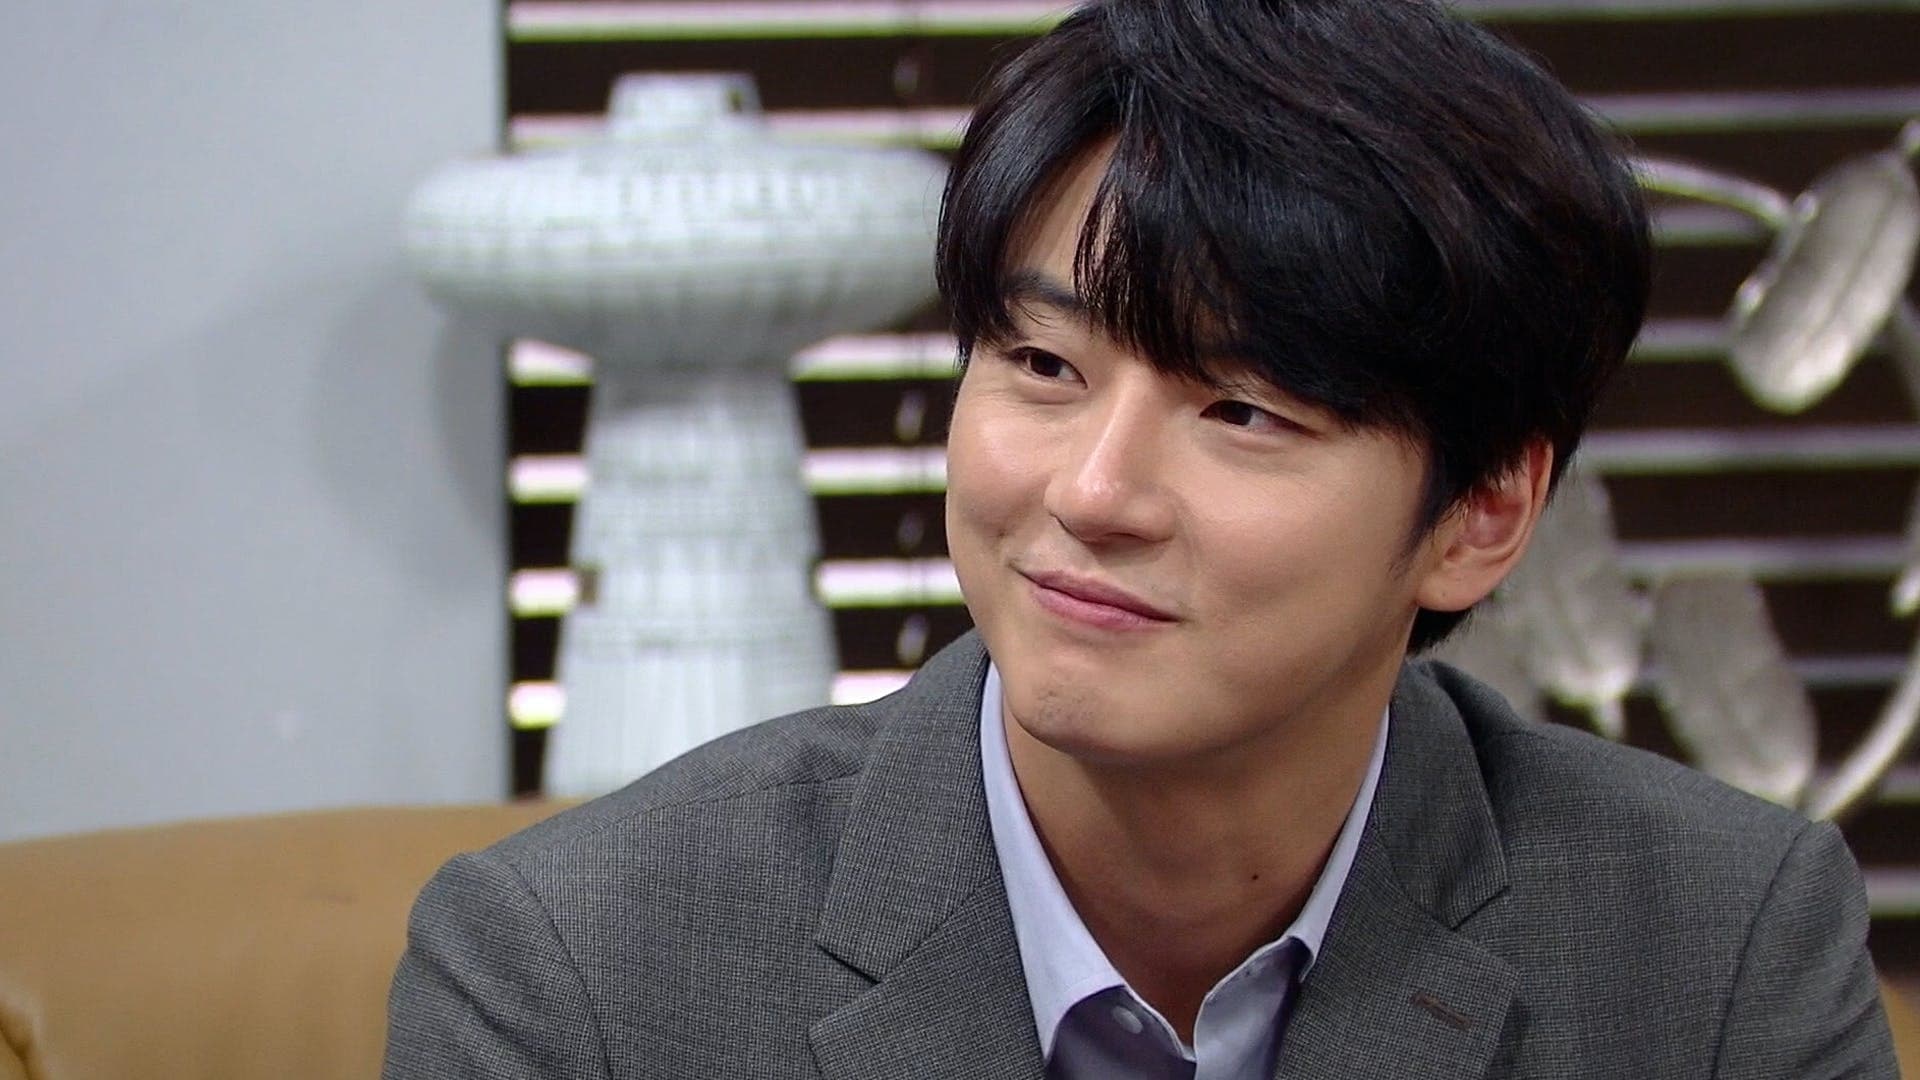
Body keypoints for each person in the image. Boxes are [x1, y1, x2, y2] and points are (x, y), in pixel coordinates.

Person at [383, 0, 1899, 1074]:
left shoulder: (1719, 952)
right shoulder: (579, 972)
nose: (1093, 491)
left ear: (1483, 512)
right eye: (1043, 365)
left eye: (1240, 410)